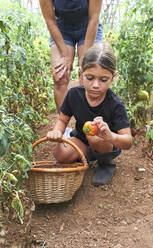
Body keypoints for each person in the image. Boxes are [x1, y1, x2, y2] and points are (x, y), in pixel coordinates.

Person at [47, 42, 132, 186]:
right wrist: (57, 132)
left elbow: (128, 141)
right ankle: (86, 155)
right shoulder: (74, 94)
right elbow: (62, 120)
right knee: (60, 155)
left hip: (106, 144)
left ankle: (105, 164)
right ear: (81, 73)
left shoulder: (116, 104)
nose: (96, 85)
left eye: (103, 80)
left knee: (95, 138)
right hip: (81, 140)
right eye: (90, 78)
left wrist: (110, 136)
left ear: (113, 77)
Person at [39, 0, 103, 117]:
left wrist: (84, 58)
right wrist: (64, 56)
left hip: (89, 25)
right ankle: (64, 128)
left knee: (88, 74)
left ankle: (87, 123)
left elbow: (94, 18)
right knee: (60, 76)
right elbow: (50, 21)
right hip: (61, 29)